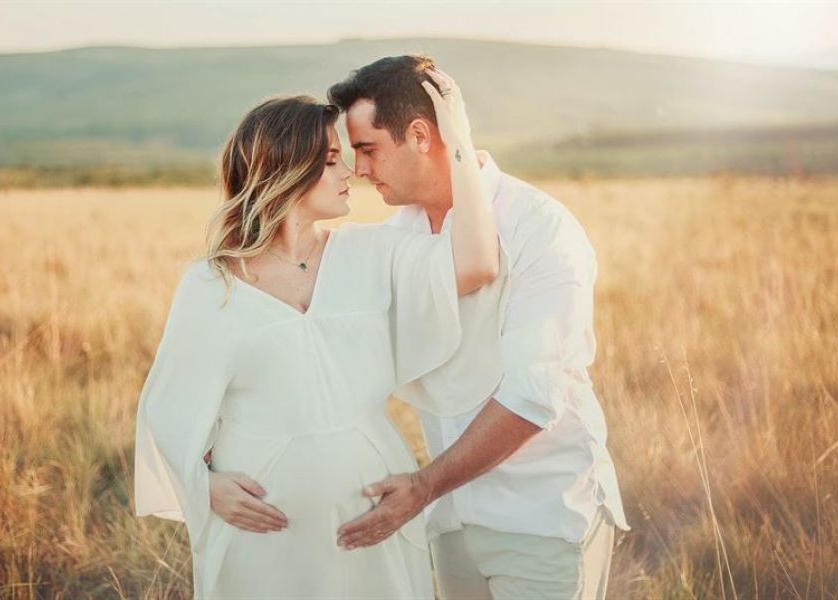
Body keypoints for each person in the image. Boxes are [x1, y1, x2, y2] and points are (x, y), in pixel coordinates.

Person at [134, 71, 509, 598]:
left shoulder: (370, 253)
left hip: (370, 517)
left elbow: (476, 263)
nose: (351, 172)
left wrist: (459, 137)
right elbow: (167, 410)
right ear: (285, 170)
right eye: (332, 160)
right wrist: (203, 486)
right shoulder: (210, 283)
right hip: (262, 536)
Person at [328, 55, 630, 599]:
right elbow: (332, 349)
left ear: (420, 134)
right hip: (449, 523)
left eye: (368, 148)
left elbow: (534, 396)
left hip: (542, 518)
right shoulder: (399, 236)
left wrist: (422, 486)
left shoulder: (541, 228)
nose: (359, 169)